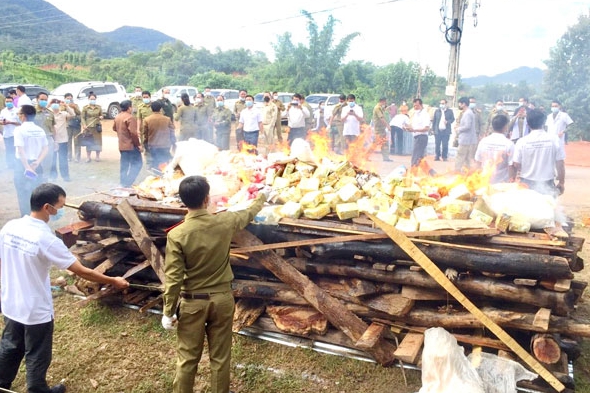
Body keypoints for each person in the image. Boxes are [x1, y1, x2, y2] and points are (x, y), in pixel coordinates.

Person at [0, 183, 129, 393]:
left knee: (11, 343)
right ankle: (37, 389)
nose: (59, 211)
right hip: (35, 308)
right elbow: (83, 272)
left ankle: (2, 381)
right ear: (47, 207)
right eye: (59, 207)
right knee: (37, 351)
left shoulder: (10, 227)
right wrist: (114, 281)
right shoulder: (46, 239)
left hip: (10, 301)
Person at [161, 175, 268, 393]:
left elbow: (173, 278)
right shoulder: (225, 221)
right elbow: (247, 214)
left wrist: (168, 311)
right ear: (207, 199)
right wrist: (262, 198)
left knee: (188, 359)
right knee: (220, 358)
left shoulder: (177, 234)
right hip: (222, 300)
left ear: (183, 200)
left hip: (192, 303)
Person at [513, 109, 565, 196]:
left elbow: (516, 163)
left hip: (526, 183)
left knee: (526, 208)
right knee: (548, 207)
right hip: (547, 182)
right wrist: (561, 182)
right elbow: (560, 163)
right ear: (544, 123)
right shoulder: (554, 139)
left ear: (528, 124)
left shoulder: (522, 141)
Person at [12, 105, 48, 216]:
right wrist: (37, 162)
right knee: (36, 193)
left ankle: (26, 217)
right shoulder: (39, 130)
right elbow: (45, 148)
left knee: (23, 194)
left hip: (23, 166)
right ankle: (37, 216)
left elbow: (20, 149)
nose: (18, 116)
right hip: (37, 165)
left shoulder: (19, 130)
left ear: (23, 116)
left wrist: (27, 167)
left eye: (19, 114)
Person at [474, 114, 515, 184]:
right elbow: (511, 165)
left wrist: (478, 180)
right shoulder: (509, 144)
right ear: (505, 127)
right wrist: (512, 182)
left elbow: (478, 162)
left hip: (485, 182)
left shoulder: (483, 141)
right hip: (502, 183)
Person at [113, 100, 143, 187]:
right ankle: (128, 182)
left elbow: (114, 128)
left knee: (124, 165)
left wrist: (122, 133)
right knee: (137, 164)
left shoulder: (117, 117)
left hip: (122, 145)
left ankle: (123, 182)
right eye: (132, 106)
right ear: (129, 107)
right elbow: (133, 133)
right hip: (131, 146)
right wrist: (138, 145)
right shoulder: (130, 117)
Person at [142, 100, 176, 170]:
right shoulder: (167, 119)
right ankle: (165, 176)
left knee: (156, 163)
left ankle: (157, 176)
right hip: (165, 145)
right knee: (165, 163)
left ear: (151, 109)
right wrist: (173, 143)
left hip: (153, 146)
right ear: (160, 109)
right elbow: (172, 132)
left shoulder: (147, 120)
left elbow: (145, 134)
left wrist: (145, 144)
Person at [48, 99, 74, 182]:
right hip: (52, 140)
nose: (55, 105)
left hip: (62, 140)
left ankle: (65, 176)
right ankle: (53, 176)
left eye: (57, 104)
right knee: (52, 159)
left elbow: (73, 114)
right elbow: (41, 112)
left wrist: (66, 105)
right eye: (53, 104)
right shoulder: (48, 114)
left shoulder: (63, 114)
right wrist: (48, 104)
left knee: (63, 159)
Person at [34, 92, 56, 181]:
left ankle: (45, 179)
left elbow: (53, 128)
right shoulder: (32, 112)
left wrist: (56, 141)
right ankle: (35, 179)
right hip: (35, 140)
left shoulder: (50, 113)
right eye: (41, 99)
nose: (43, 101)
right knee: (35, 160)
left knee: (48, 160)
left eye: (45, 100)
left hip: (48, 140)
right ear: (37, 100)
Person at [454, 96, 478, 173]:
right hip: (469, 140)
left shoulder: (467, 113)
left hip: (465, 140)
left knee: (460, 158)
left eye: (460, 104)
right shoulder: (469, 112)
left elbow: (467, 126)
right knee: (467, 159)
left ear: (463, 104)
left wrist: (458, 129)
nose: (459, 106)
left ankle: (457, 173)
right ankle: (467, 174)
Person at [405, 98, 431, 168]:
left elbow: (426, 128)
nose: (415, 107)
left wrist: (414, 130)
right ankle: (429, 174)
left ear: (421, 105)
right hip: (417, 137)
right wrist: (407, 128)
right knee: (420, 159)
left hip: (421, 138)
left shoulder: (425, 114)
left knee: (415, 158)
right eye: (414, 106)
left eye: (417, 106)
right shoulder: (416, 114)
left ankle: (413, 172)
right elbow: (413, 126)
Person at [80, 92, 103, 163]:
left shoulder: (99, 107)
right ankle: (88, 157)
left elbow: (101, 115)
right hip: (88, 127)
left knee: (98, 142)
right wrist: (84, 125)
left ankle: (97, 156)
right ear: (88, 99)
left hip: (97, 126)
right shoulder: (85, 108)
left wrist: (101, 117)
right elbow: (82, 117)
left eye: (94, 99)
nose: (92, 100)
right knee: (89, 142)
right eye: (91, 99)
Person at [0, 95, 20, 169]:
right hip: (6, 134)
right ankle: (10, 165)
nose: (8, 103)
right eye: (7, 102)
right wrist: (3, 122)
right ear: (5, 102)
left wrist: (10, 122)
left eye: (10, 101)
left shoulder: (17, 111)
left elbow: (20, 123)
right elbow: (0, 121)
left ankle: (17, 164)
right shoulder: (3, 111)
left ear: (13, 102)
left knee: (15, 150)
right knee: (8, 150)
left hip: (15, 134)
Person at [63, 93, 82, 163]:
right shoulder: (62, 106)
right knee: (68, 141)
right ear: (64, 99)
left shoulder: (75, 105)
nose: (69, 100)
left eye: (70, 98)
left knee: (77, 141)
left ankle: (77, 157)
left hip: (76, 125)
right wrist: (66, 106)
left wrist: (74, 107)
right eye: (68, 98)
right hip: (67, 125)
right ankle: (69, 157)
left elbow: (80, 113)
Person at [372, 97, 391, 162]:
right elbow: (381, 118)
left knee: (384, 143)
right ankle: (365, 155)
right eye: (385, 102)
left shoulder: (380, 108)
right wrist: (387, 126)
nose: (385, 103)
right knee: (375, 143)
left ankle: (386, 158)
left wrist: (386, 108)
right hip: (378, 129)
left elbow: (383, 111)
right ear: (382, 101)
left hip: (381, 129)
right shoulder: (377, 108)